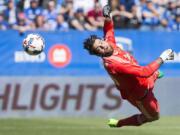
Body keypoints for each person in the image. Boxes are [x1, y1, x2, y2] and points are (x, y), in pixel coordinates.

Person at [83, 5, 174, 128]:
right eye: (98, 48)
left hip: (143, 80)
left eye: (101, 42)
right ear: (98, 54)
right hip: (139, 94)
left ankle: (155, 75)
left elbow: (109, 30)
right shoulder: (112, 64)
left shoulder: (109, 44)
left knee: (150, 76)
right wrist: (162, 58)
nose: (102, 46)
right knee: (153, 117)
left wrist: (107, 17)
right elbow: (144, 72)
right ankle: (118, 123)